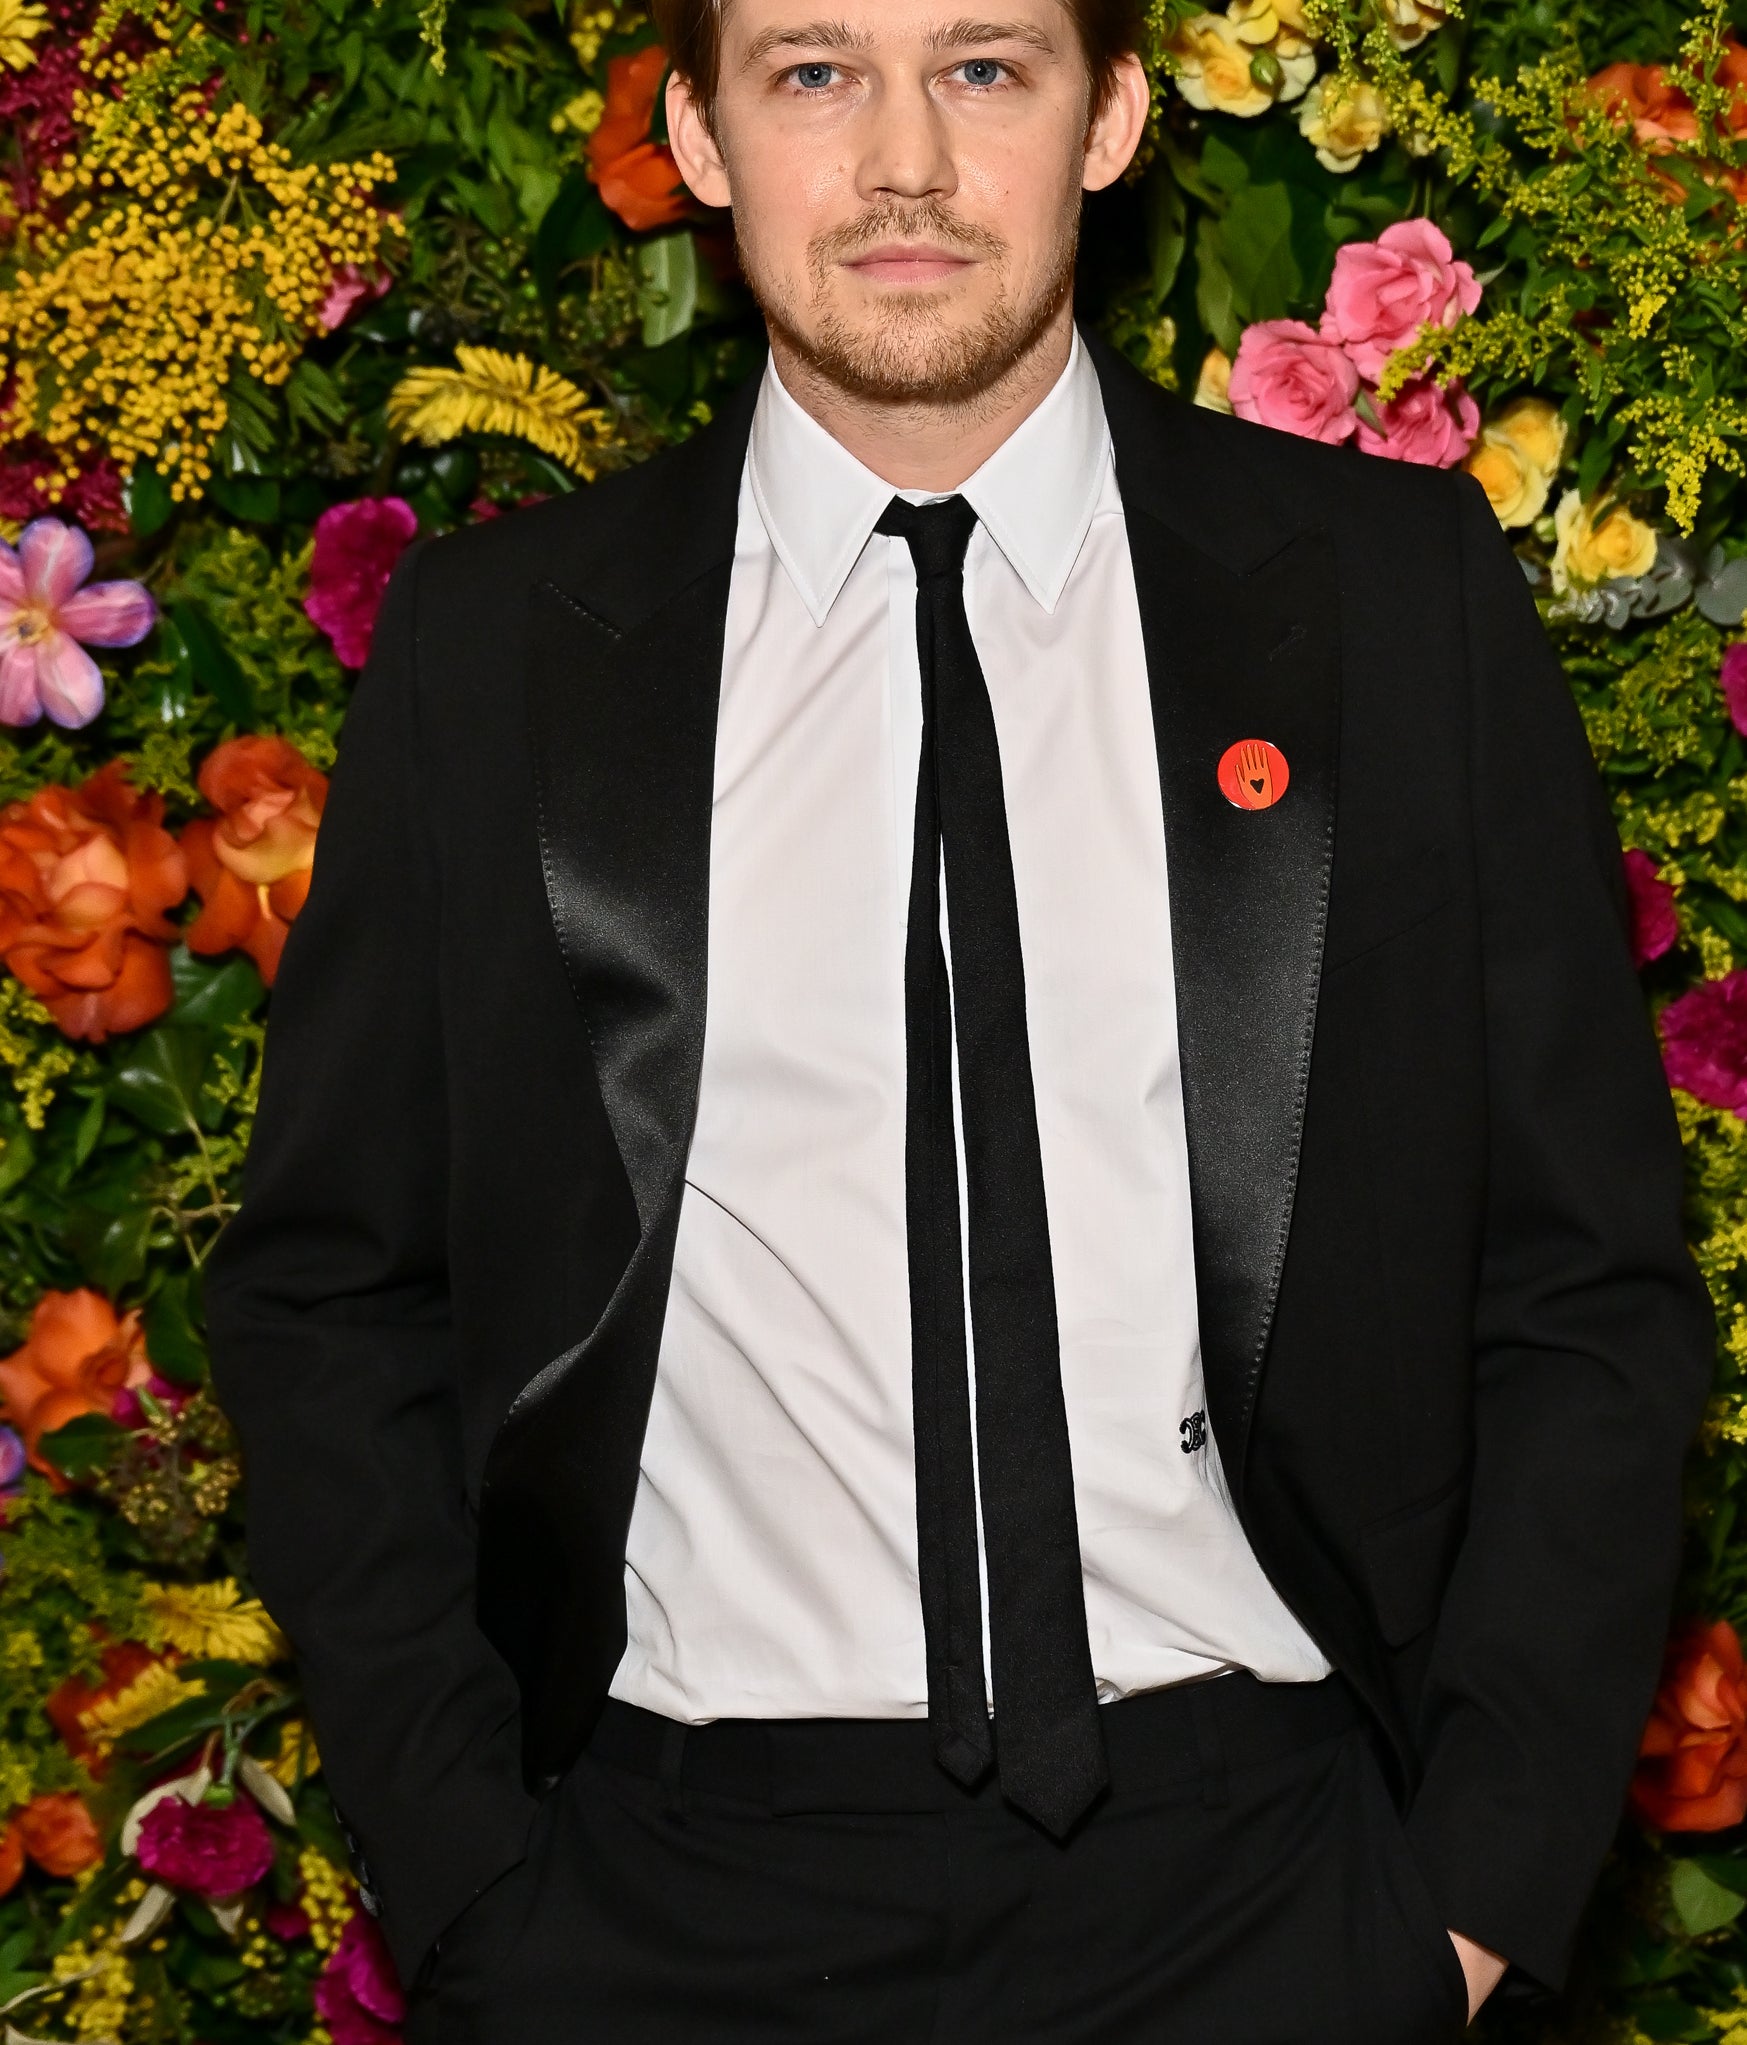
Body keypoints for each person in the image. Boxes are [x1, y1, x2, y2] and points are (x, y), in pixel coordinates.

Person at [201, 0, 1716, 2031]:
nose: (903, 160)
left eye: (985, 67)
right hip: (658, 1911)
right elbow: (331, 1290)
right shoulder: (501, 656)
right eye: (815, 71)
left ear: (1112, 121)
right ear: (701, 137)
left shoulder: (1381, 601)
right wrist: (476, 1880)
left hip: (1274, 1887)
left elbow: (1584, 1282)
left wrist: (1461, 1898)